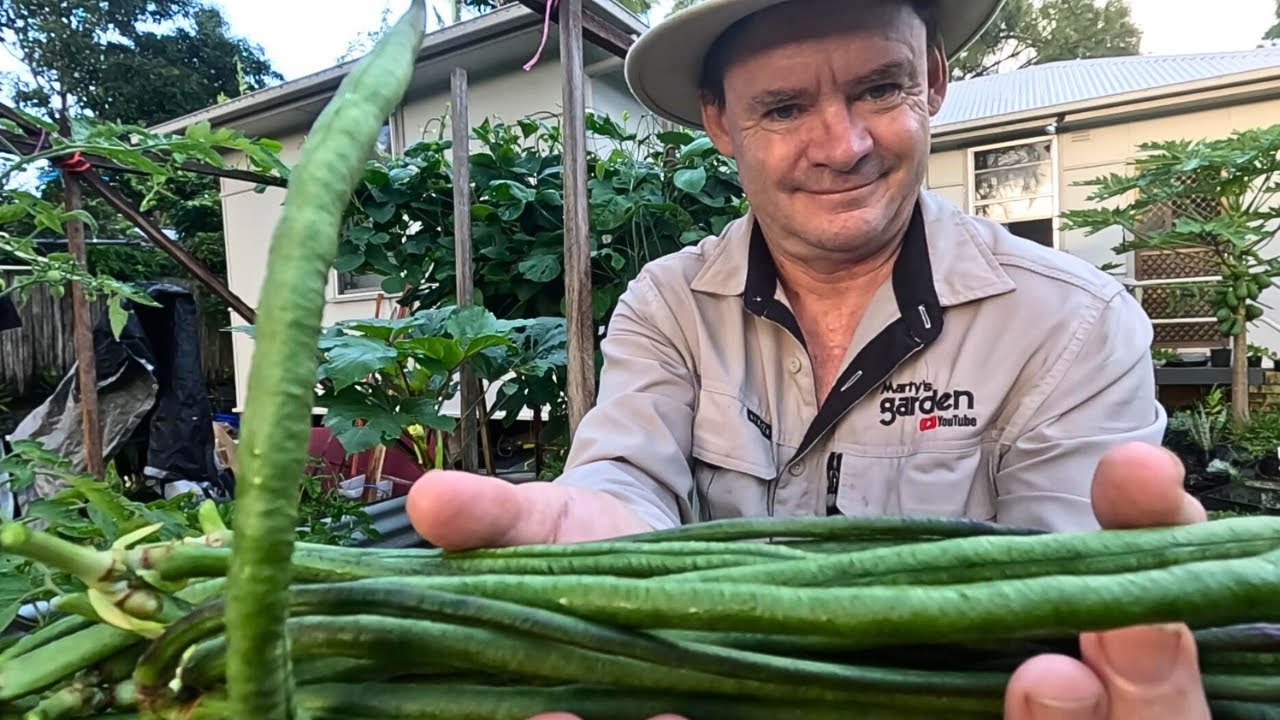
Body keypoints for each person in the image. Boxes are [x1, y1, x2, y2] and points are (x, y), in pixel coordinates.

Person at [406, 0, 1213, 717]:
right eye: (785, 107)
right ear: (720, 122)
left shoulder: (1071, 320)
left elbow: (1062, 598)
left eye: (880, 89)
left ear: (933, 79)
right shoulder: (670, 304)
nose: (843, 146)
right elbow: (627, 478)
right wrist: (609, 536)